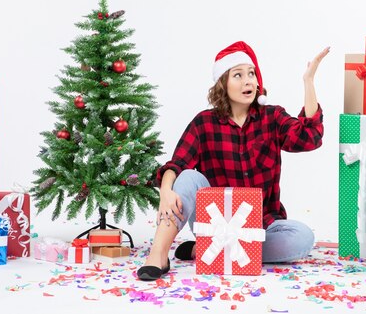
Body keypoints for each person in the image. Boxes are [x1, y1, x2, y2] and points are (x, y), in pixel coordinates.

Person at [137, 41, 329, 281]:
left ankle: (207, 251)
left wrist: (308, 83)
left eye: (251, 74)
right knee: (187, 177)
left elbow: (309, 138)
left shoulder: (272, 116)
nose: (248, 81)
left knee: (302, 237)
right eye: (238, 75)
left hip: (261, 226)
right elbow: (177, 164)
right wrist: (165, 190)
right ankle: (159, 254)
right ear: (223, 84)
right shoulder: (204, 123)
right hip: (215, 223)